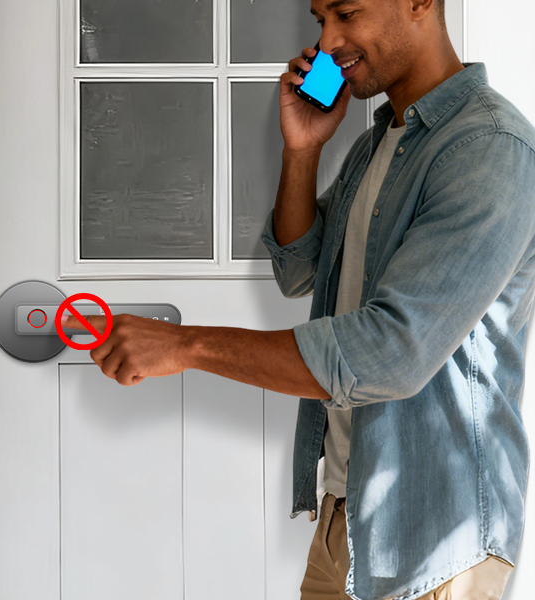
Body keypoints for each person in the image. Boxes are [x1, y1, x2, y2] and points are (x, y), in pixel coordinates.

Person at [61, 0, 535, 598]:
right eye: (321, 21)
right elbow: (299, 270)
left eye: (346, 13)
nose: (329, 40)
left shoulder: (488, 148)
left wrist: (185, 345)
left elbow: (390, 353)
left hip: (437, 539)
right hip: (350, 511)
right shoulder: (375, 147)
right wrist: (303, 149)